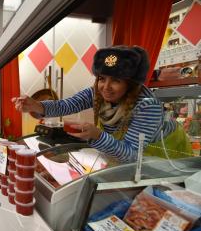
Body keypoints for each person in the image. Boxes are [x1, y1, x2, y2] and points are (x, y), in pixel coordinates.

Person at [12, 45, 192, 162]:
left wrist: (97, 136)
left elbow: (131, 155)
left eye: (116, 80)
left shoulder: (147, 106)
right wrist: (36, 106)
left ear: (130, 83)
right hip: (126, 153)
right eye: (102, 78)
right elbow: (65, 105)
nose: (106, 87)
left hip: (166, 154)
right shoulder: (96, 93)